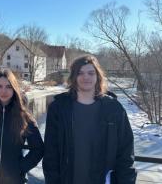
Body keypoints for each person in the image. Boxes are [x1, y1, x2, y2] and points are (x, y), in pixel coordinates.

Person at [43, 55, 137, 184]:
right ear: (73, 77)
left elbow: (126, 152)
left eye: (91, 73)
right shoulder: (59, 108)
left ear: (98, 76)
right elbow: (50, 154)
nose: (86, 77)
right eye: (80, 73)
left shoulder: (113, 108)